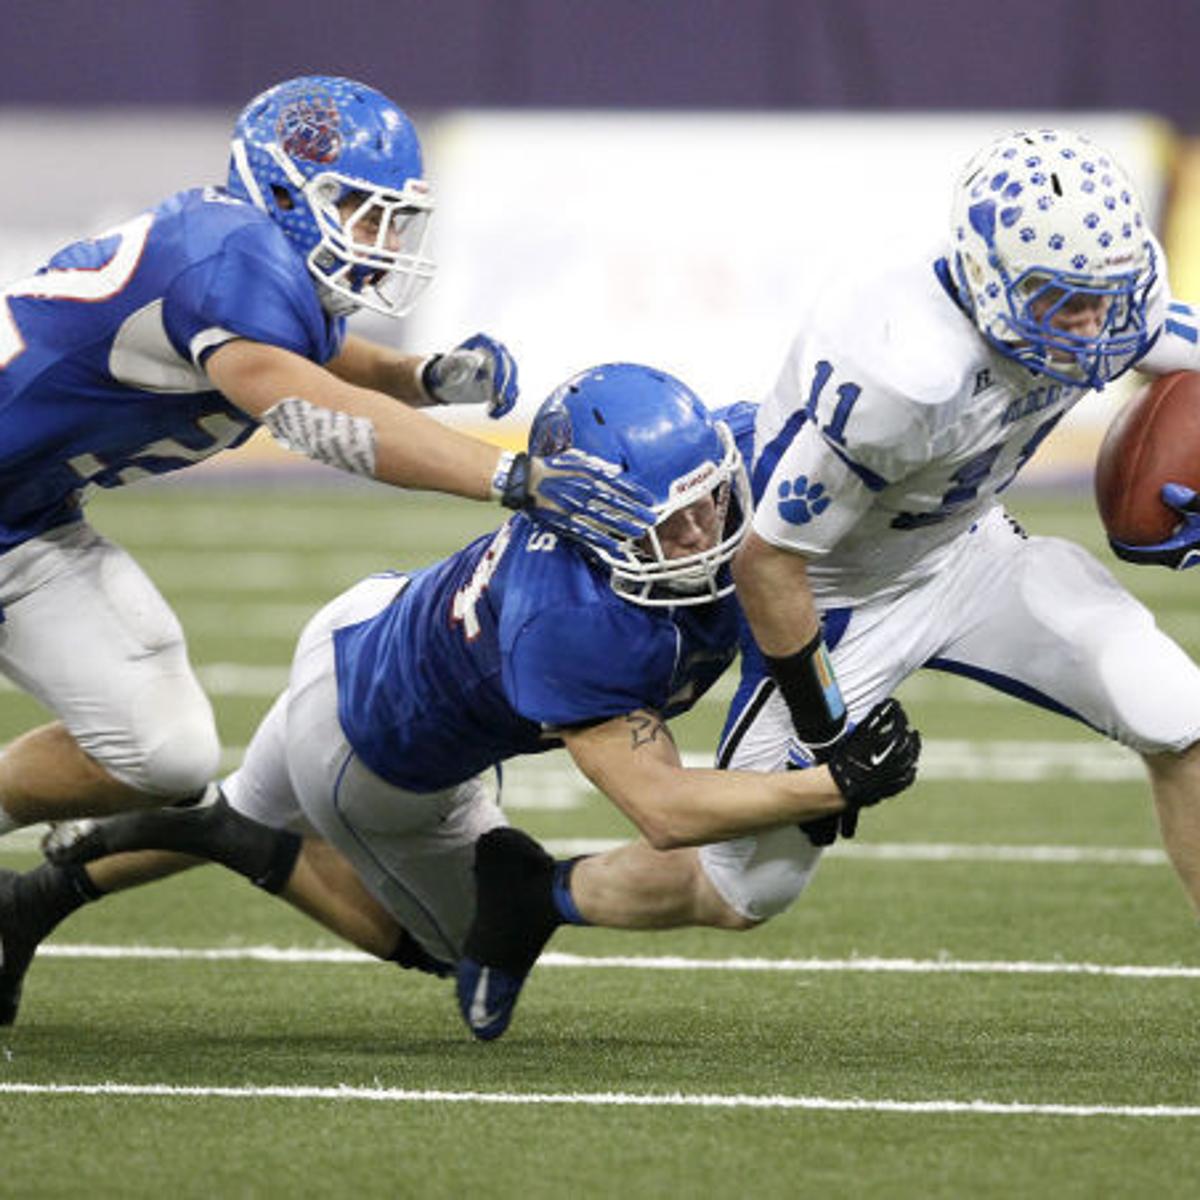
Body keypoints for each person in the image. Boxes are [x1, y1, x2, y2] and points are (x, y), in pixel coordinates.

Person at [433, 126, 1200, 1041]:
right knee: (744, 887)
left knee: (1175, 709)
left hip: (967, 552)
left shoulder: (1109, 304)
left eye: (1108, 301)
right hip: (834, 594)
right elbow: (770, 559)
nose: (1095, 328)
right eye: (1064, 303)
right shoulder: (900, 372)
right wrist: (831, 731)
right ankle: (538, 896)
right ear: (991, 279)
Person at [1, 363, 921, 1032]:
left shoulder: (700, 490)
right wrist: (835, 784)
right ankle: (242, 840)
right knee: (440, 943)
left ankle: (48, 893)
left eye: (712, 501)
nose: (703, 531)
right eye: (670, 520)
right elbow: (667, 811)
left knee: (243, 796)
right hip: (371, 755)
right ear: (596, 522)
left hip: (370, 629)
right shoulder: (573, 624)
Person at [0, 75, 651, 841]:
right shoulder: (226, 260)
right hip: (24, 517)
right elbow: (310, 412)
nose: (379, 239)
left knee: (164, 753)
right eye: (356, 210)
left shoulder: (249, 261)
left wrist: (421, 379)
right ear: (282, 191)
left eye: (390, 220)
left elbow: (316, 361)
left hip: (25, 523)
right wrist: (509, 475)